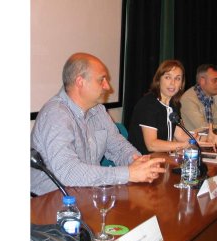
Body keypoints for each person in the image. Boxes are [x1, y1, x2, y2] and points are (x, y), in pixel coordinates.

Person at [31, 52, 166, 196]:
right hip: (49, 200)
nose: (107, 86)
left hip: (86, 192)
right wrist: (128, 173)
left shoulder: (98, 110)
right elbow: (68, 172)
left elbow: (119, 147)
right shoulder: (56, 114)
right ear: (80, 82)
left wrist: (140, 163)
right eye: (101, 80)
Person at [128, 60, 217, 154]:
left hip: (163, 159)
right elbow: (152, 145)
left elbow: (180, 135)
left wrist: (207, 138)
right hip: (141, 161)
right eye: (167, 77)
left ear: (181, 84)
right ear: (158, 80)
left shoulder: (174, 104)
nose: (172, 83)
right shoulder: (148, 104)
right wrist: (183, 145)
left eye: (177, 78)